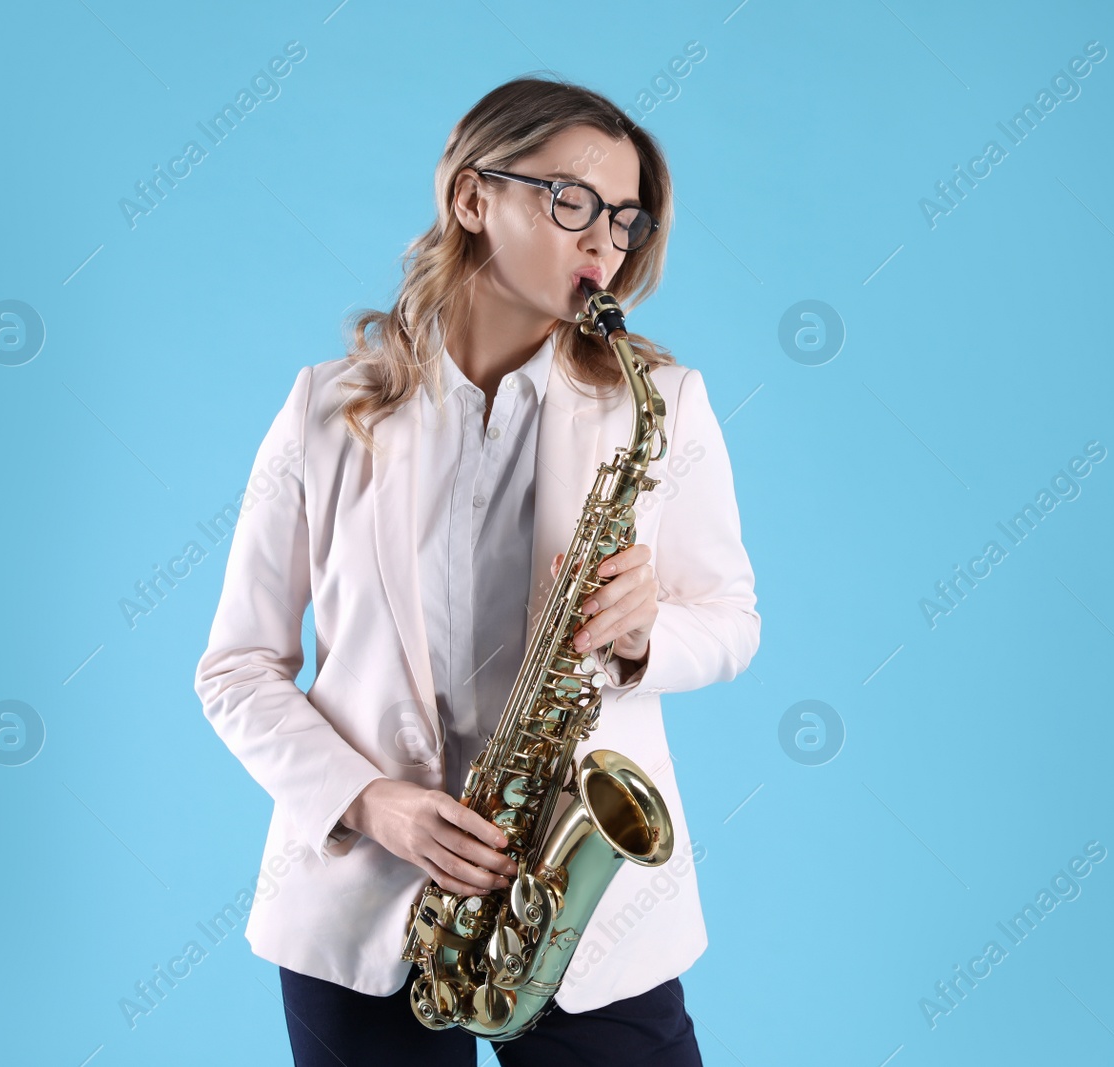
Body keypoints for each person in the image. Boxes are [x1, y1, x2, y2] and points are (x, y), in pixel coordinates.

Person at [193, 75, 760, 1066]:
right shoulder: (325, 410)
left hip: (581, 911)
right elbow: (234, 668)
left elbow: (732, 619)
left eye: (624, 219)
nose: (602, 244)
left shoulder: (660, 404)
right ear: (471, 197)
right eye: (569, 200)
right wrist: (372, 801)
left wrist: (644, 636)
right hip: (361, 897)